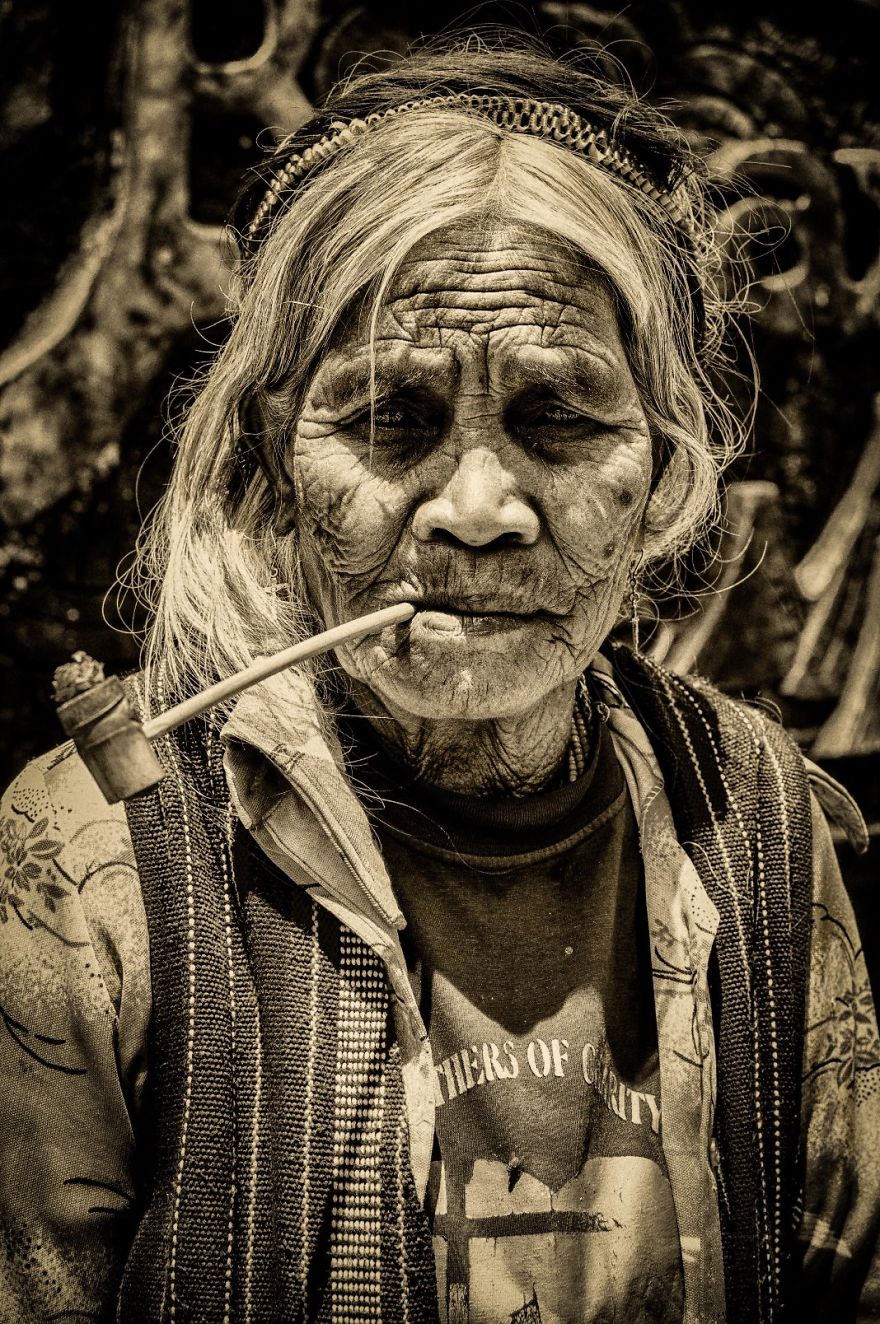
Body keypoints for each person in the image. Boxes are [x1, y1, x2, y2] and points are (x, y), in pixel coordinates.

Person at [1, 36, 878, 1324]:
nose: (479, 509)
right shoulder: (91, 862)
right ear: (273, 455)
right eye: (388, 420)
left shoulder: (757, 825)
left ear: (665, 466)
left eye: (562, 419)